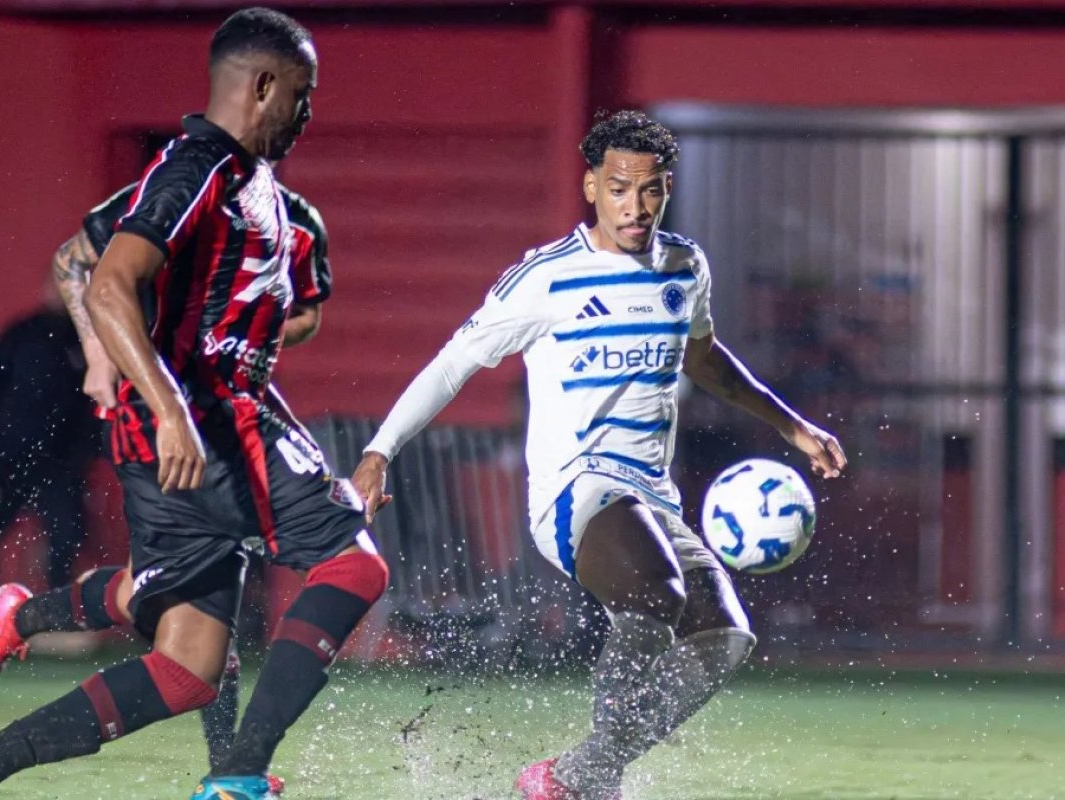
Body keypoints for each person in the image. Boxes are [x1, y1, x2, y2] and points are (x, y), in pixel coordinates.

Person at [0, 9, 387, 800]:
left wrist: (229, 345)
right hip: (204, 421)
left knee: (188, 666)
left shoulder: (265, 195)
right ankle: (236, 776)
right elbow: (96, 274)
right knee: (353, 561)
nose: (307, 114)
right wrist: (146, 389)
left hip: (191, 426)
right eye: (301, 96)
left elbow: (293, 311)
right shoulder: (195, 164)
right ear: (264, 85)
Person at [351, 109, 847, 800]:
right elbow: (452, 364)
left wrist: (790, 425)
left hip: (652, 494)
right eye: (618, 188)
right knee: (655, 592)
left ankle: (575, 772)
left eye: (649, 191)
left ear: (666, 188)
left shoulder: (683, 266)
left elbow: (703, 358)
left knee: (725, 638)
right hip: (575, 488)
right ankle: (597, 787)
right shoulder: (545, 278)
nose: (634, 207)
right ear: (590, 186)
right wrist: (380, 450)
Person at [0, 173, 335, 780]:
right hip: (163, 421)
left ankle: (23, 618)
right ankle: (229, 772)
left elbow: (308, 316)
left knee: (178, 598)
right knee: (189, 604)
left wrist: (253, 327)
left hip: (229, 419)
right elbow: (75, 263)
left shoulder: (295, 222)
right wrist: (100, 354)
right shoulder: (180, 196)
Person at [0, 281, 99, 618]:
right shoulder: (20, 334)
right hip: (10, 452)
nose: (59, 293)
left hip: (60, 459)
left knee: (65, 534)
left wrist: (82, 453)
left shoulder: (85, 340)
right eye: (55, 285)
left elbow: (90, 403)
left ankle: (60, 616)